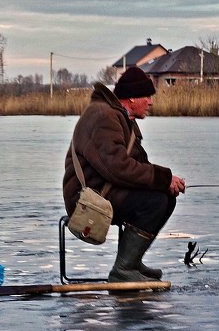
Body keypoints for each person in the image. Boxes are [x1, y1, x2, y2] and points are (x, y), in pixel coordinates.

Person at [63, 65, 185, 282]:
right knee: (155, 201)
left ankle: (131, 262)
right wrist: (163, 179)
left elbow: (137, 165)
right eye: (147, 96)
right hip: (88, 198)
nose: (151, 102)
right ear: (131, 99)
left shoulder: (122, 118)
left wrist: (167, 182)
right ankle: (124, 270)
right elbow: (116, 167)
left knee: (165, 197)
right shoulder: (103, 116)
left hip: (105, 191)